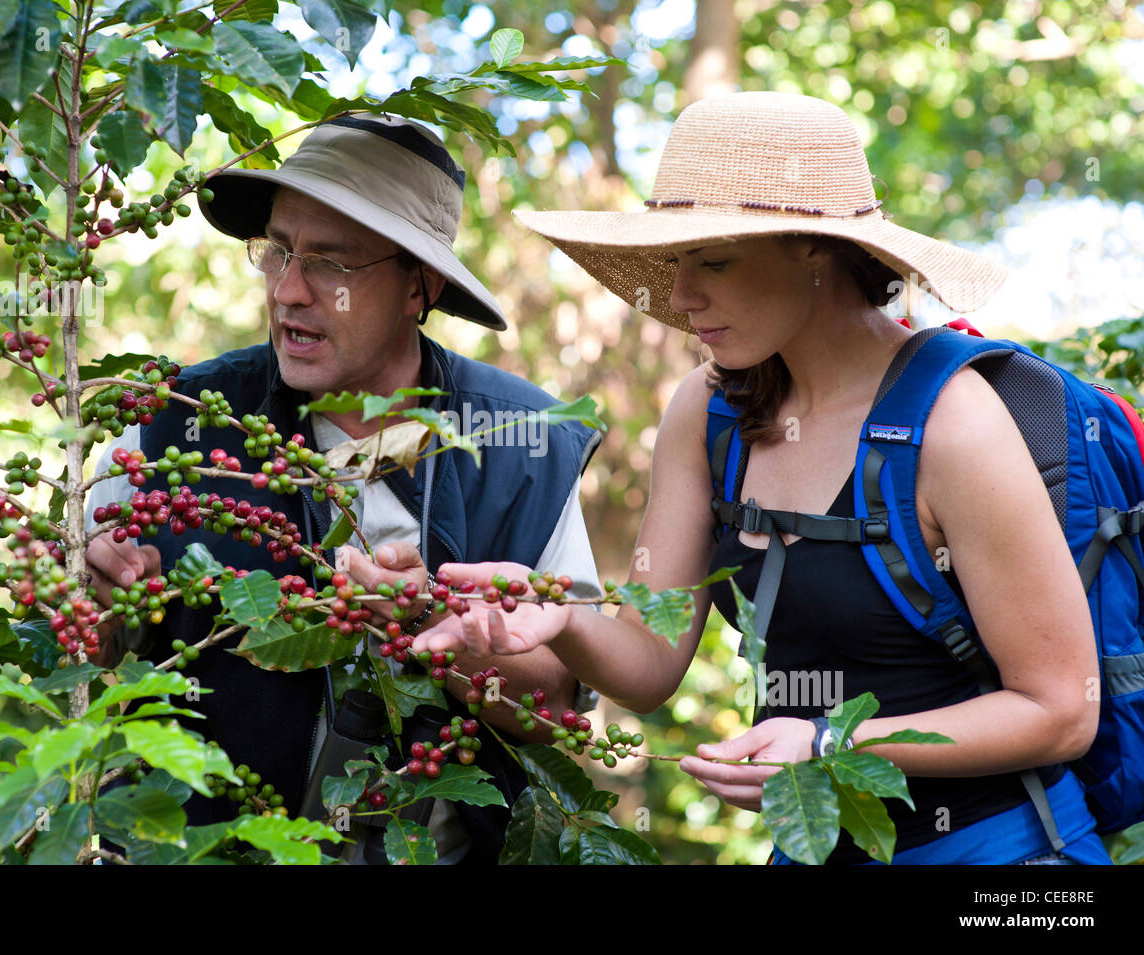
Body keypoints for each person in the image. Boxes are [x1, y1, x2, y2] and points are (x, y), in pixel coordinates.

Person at [413, 91, 1110, 865]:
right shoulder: (709, 412)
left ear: (814, 247)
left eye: (713, 260)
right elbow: (649, 665)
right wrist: (564, 617)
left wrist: (829, 738)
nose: (679, 296)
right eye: (675, 263)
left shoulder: (955, 422)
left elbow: (1059, 711)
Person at [83, 115, 603, 863]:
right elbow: (84, 647)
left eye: (333, 263)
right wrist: (94, 594)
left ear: (417, 286)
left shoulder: (526, 448)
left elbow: (554, 708)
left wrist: (432, 630)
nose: (289, 290)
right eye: (281, 250)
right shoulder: (176, 426)